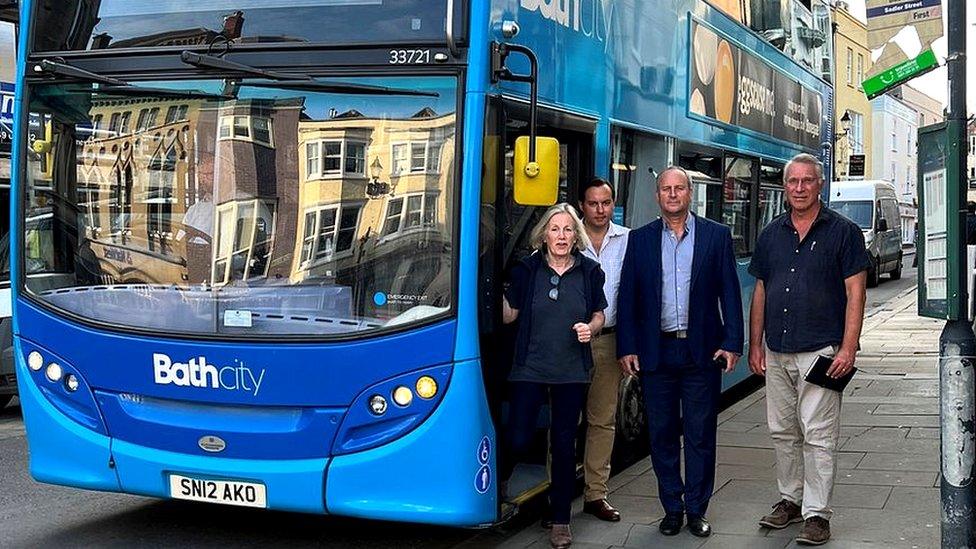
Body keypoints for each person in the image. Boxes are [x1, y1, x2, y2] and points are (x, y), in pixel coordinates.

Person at [748, 153, 869, 546]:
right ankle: (790, 499)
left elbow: (855, 292)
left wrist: (848, 348)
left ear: (820, 185)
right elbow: (761, 291)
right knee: (782, 431)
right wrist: (755, 344)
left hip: (821, 351)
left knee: (818, 434)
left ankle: (817, 514)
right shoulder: (771, 234)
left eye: (807, 181)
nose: (799, 188)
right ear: (785, 187)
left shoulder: (844, 232)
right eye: (792, 182)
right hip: (778, 348)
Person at [617, 167, 743, 538]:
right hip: (656, 352)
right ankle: (672, 507)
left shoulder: (715, 236)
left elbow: (730, 294)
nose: (672, 195)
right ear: (658, 196)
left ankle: (696, 510)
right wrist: (627, 346)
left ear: (690, 193)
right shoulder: (639, 240)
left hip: (700, 352)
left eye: (679, 188)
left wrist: (732, 341)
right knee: (661, 434)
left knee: (701, 434)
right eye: (665, 189)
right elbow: (628, 299)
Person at [501, 203, 607, 549]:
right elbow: (509, 315)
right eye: (555, 229)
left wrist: (589, 329)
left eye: (567, 230)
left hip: (570, 371)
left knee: (563, 446)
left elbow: (599, 315)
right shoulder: (526, 270)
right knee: (518, 437)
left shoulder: (590, 272)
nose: (561, 236)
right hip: (529, 367)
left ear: (576, 235)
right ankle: (497, 492)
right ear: (543, 234)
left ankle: (560, 520)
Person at [578, 177, 630, 522]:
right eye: (594, 203)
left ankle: (596, 493)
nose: (600, 209)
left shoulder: (628, 240)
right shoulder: (565, 234)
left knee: (602, 420)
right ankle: (558, 490)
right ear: (583, 205)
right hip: (568, 344)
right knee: (565, 420)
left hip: (609, 340)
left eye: (606, 202)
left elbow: (638, 294)